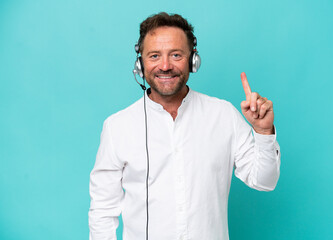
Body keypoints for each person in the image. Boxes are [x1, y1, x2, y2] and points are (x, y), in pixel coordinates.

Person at [89, 12, 280, 240]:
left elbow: (265, 181)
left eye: (176, 55)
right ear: (140, 63)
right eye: (154, 56)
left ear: (193, 60)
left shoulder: (223, 115)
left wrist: (263, 131)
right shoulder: (117, 127)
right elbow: (102, 210)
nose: (165, 65)